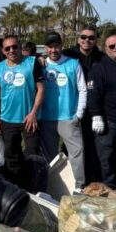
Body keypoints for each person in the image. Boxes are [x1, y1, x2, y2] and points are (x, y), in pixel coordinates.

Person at [38, 32, 87, 192]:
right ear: (46, 48)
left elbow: (82, 89)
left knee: (76, 153)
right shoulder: (41, 65)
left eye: (57, 46)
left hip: (68, 117)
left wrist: (78, 114)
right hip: (46, 117)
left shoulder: (73, 64)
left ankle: (78, 186)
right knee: (49, 156)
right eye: (50, 46)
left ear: (61, 46)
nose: (54, 50)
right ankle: (52, 186)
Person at [0, 35, 45, 185]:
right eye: (7, 48)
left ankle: (33, 187)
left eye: (15, 47)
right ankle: (15, 186)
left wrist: (33, 113)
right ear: (3, 51)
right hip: (7, 119)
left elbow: (41, 89)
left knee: (33, 154)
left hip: (29, 118)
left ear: (20, 47)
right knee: (11, 155)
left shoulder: (32, 63)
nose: (11, 50)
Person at [88, 34, 116, 193]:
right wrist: (96, 115)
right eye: (112, 46)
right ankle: (109, 190)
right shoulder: (99, 68)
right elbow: (93, 93)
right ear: (105, 49)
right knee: (107, 159)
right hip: (109, 122)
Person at [63, 27, 105, 184]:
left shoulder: (101, 57)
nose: (87, 40)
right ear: (78, 38)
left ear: (96, 40)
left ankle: (93, 178)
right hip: (71, 107)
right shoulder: (68, 55)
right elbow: (51, 61)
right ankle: (72, 179)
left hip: (94, 107)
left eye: (91, 38)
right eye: (83, 37)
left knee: (92, 144)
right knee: (72, 145)